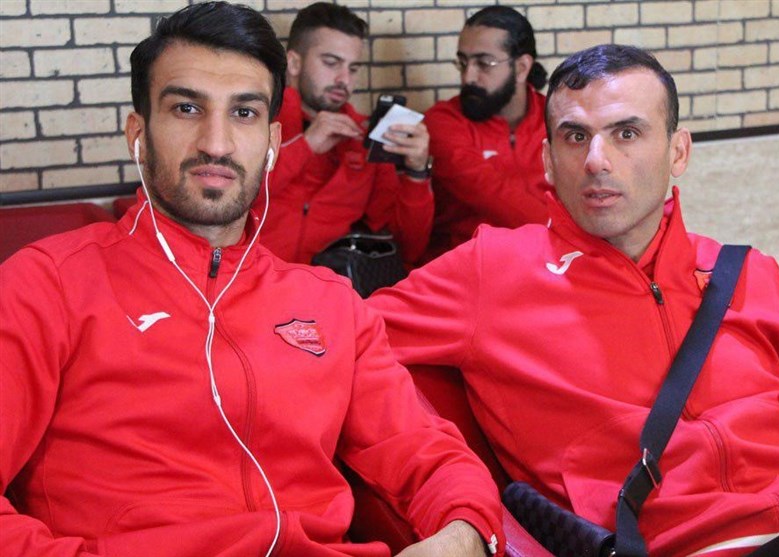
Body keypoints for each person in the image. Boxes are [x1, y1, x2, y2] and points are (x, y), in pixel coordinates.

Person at [0, 3, 506, 556]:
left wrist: (465, 533)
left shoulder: (331, 305)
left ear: (270, 141)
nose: (216, 143)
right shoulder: (47, 284)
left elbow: (429, 455)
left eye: (243, 113)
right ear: (138, 134)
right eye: (187, 108)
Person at [369, 44, 779, 556]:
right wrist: (458, 503)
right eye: (575, 137)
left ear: (678, 152)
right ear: (548, 161)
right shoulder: (494, 270)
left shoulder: (746, 271)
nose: (597, 161)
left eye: (627, 133)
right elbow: (332, 338)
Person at [257, 2, 433, 266]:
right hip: (249, 278)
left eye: (352, 68)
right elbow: (232, 199)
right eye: (331, 63)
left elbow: (407, 247)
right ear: (294, 63)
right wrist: (306, 146)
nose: (344, 79)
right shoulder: (256, 118)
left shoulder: (363, 137)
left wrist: (417, 173)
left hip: (331, 284)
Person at [423, 5, 550, 260]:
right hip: (465, 267)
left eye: (484, 63)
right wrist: (575, 238)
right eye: (463, 62)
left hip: (549, 263)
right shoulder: (443, 121)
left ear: (522, 67)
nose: (468, 77)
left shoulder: (558, 119)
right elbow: (490, 193)